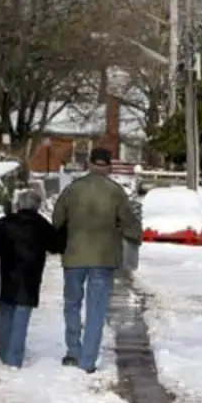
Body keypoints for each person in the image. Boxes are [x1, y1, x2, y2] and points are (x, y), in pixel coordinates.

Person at [52, 147, 142, 374]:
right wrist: (132, 237)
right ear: (108, 166)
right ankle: (88, 360)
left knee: (72, 304)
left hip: (74, 256)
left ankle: (73, 350)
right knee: (96, 309)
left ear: (89, 164)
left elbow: (57, 219)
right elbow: (130, 222)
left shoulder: (73, 189)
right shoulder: (116, 192)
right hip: (103, 257)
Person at [0, 189, 59, 368]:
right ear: (37, 206)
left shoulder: (4, 224)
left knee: (6, 315)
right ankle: (14, 359)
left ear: (18, 204)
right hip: (30, 279)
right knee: (21, 319)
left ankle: (4, 356)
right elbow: (56, 246)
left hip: (8, 276)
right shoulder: (42, 225)